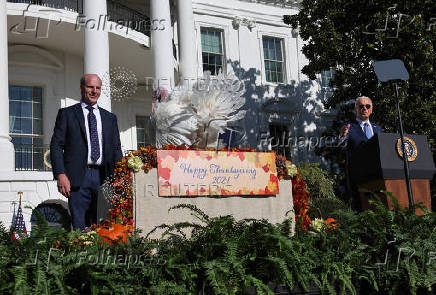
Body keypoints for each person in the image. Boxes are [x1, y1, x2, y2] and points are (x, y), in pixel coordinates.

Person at [50, 74, 122, 230]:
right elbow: (56, 145)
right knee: (80, 227)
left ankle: (101, 255)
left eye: (98, 88)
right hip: (78, 178)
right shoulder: (67, 114)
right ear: (82, 88)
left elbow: (116, 150)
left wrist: (119, 178)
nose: (94, 91)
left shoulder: (110, 118)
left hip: (104, 177)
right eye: (90, 87)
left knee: (104, 226)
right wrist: (60, 174)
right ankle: (81, 254)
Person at [339, 96, 383, 211]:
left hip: (378, 176)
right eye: (361, 106)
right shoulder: (348, 127)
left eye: (367, 106)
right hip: (358, 178)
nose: (364, 108)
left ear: (371, 109)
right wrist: (342, 136)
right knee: (361, 210)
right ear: (356, 109)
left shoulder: (378, 129)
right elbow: (341, 147)